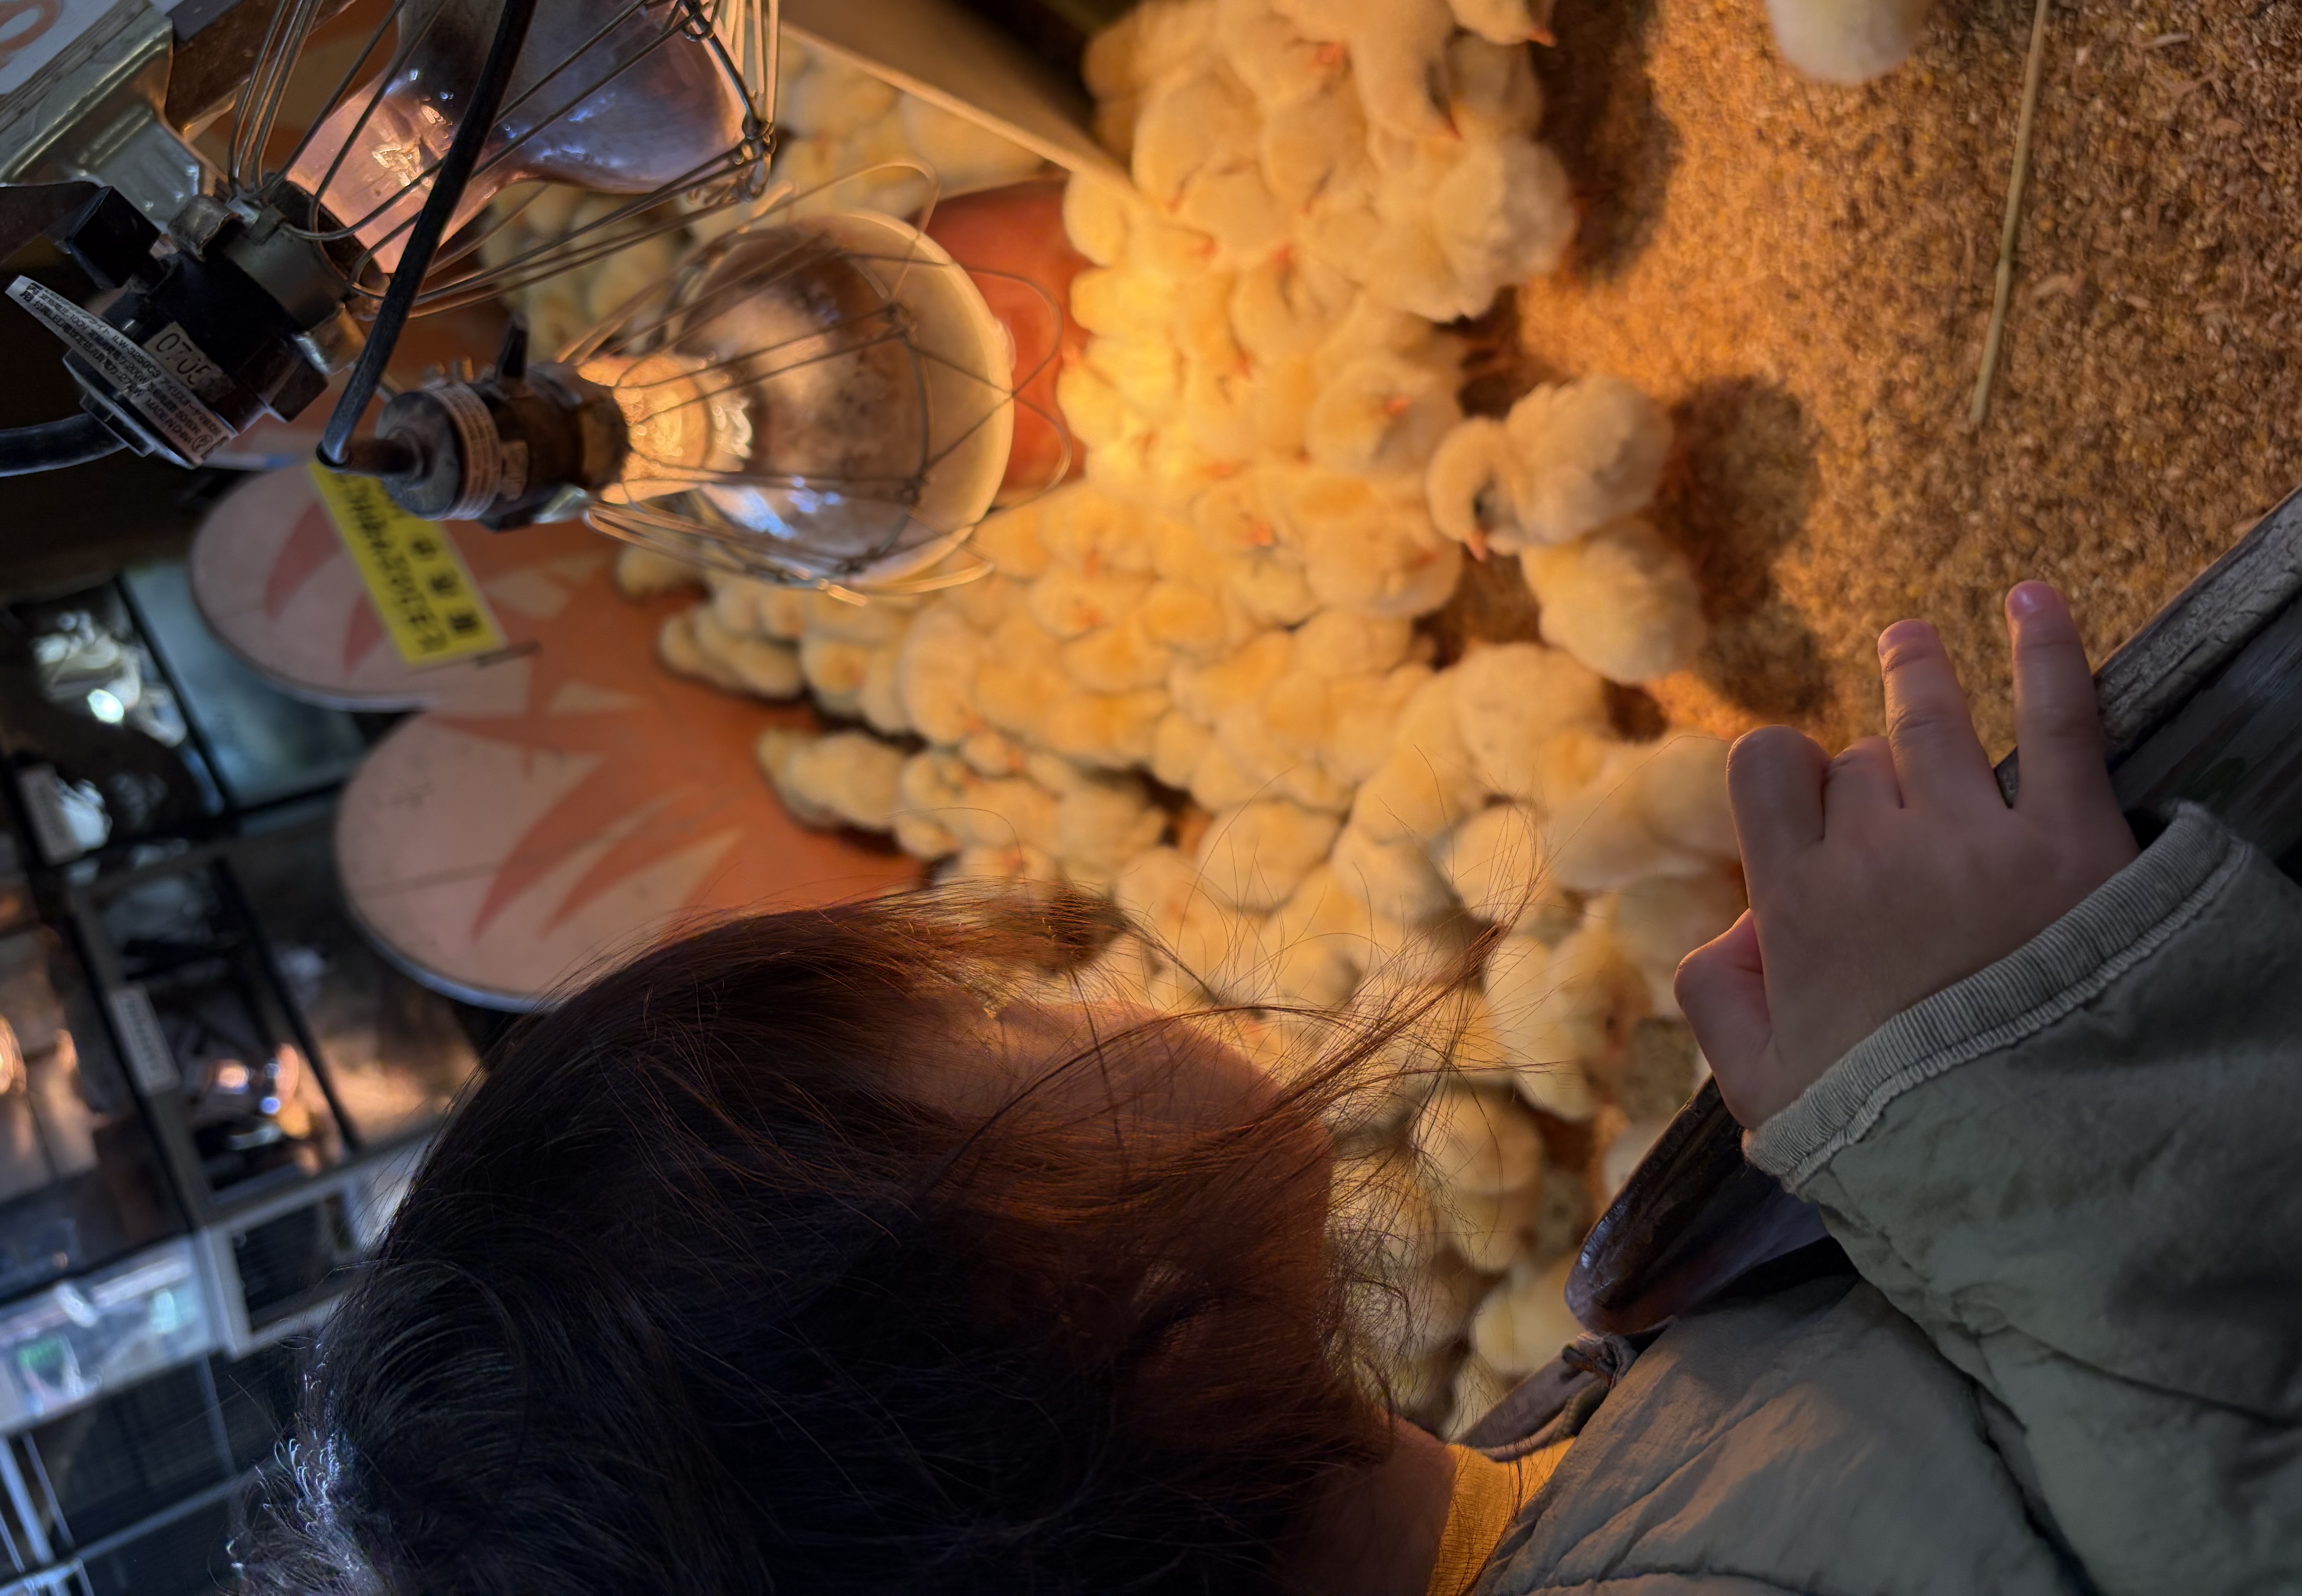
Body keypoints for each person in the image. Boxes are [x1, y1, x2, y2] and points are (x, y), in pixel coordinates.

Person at [239, 583, 2302, 1596]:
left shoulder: (1520, 1473)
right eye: (1014, 1033)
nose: (1076, 980)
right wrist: (2015, 1064)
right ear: (1047, 1301)